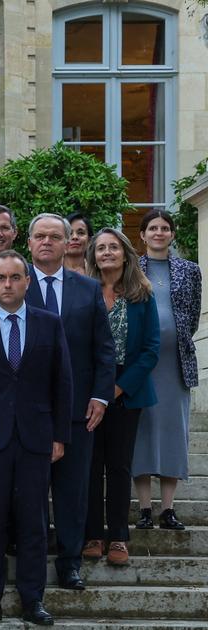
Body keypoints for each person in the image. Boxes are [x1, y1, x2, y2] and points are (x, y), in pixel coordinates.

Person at [0, 250, 73, 627]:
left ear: (27, 281)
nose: (7, 284)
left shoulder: (49, 323)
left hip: (36, 438)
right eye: (0, 278)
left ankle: (32, 600)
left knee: (34, 524)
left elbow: (62, 383)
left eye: (14, 277)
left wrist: (60, 435)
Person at [25, 213, 114, 591]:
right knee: (27, 490)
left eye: (54, 236)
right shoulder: (13, 283)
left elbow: (104, 349)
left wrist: (100, 396)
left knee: (73, 491)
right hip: (25, 410)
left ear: (68, 243)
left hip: (79, 409)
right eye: (39, 236)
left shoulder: (87, 288)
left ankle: (70, 562)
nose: (46, 242)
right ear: (28, 243)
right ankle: (28, 558)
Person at [82, 228, 160, 566]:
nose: (107, 253)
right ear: (93, 256)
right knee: (89, 465)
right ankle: (92, 535)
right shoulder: (84, 291)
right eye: (101, 248)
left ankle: (118, 537)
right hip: (88, 390)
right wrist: (96, 389)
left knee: (118, 466)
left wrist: (118, 387)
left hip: (127, 391)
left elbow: (150, 349)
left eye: (113, 247)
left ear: (126, 254)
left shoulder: (142, 294)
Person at [134, 209, 201, 530]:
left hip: (175, 363)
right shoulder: (130, 268)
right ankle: (145, 508)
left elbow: (193, 312)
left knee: (174, 430)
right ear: (143, 235)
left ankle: (168, 509)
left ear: (172, 234)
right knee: (143, 430)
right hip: (140, 364)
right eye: (153, 228)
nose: (159, 233)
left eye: (165, 228)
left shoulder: (190, 270)